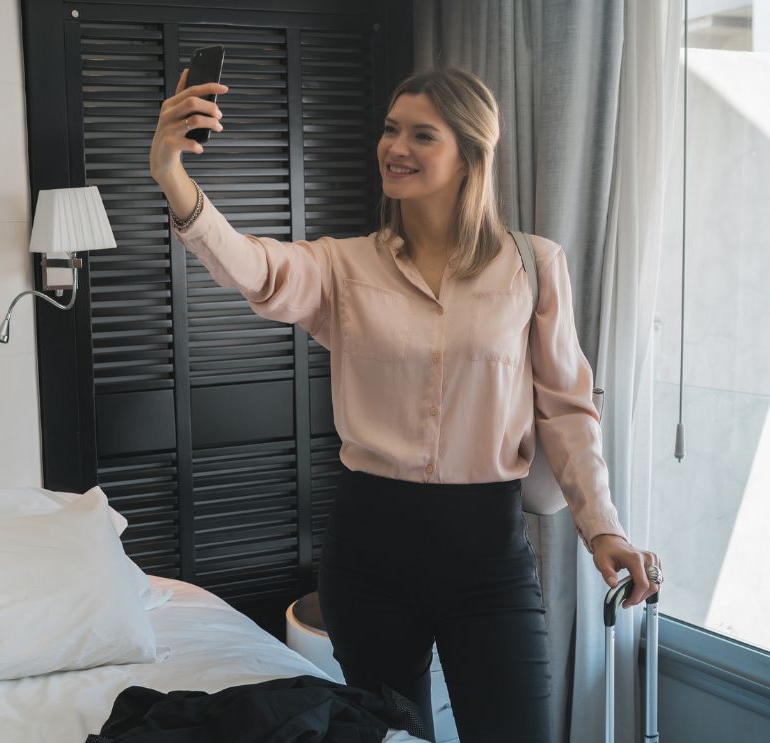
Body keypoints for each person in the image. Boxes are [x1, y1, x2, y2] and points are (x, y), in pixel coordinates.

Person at [148, 66, 664, 742]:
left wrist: (602, 528)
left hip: (488, 557)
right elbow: (254, 267)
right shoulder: (343, 266)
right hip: (369, 555)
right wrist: (172, 176)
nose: (395, 147)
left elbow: (566, 411)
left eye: (423, 134)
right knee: (392, 737)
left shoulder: (534, 266)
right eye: (391, 129)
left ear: (470, 155)